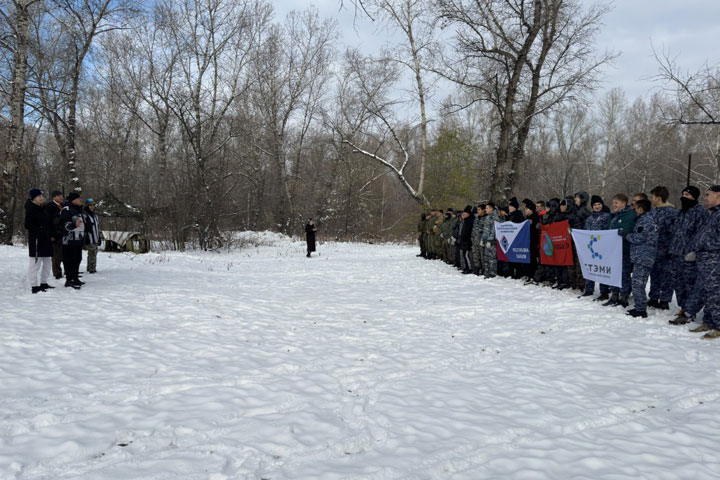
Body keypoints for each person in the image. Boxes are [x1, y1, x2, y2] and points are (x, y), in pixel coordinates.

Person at [668, 186, 709, 325]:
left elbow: (702, 234)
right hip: (676, 253)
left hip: (689, 256)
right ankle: (683, 307)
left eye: (688, 195)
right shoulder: (679, 212)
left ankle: (690, 311)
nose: (684, 197)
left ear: (694, 197)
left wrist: (695, 251)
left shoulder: (700, 212)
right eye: (683, 194)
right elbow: (674, 231)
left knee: (689, 283)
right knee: (678, 283)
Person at [685, 185, 720, 338]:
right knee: (707, 293)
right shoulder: (713, 214)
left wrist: (704, 247)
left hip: (715, 262)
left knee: (715, 294)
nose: (705, 198)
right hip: (705, 262)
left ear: (718, 195)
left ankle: (718, 326)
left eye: (708, 195)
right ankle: (709, 322)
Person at [623, 198, 658, 318]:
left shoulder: (646, 221)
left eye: (636, 208)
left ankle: (641, 310)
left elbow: (639, 238)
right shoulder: (644, 219)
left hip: (644, 256)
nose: (634, 210)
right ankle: (640, 307)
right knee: (638, 283)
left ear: (641, 209)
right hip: (641, 256)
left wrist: (626, 235)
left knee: (638, 284)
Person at [647, 186, 677, 310]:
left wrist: (670, 249)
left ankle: (665, 300)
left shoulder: (671, 212)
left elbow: (674, 232)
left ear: (659, 198)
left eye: (652, 197)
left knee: (667, 276)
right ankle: (653, 297)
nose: (651, 200)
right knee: (655, 275)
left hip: (666, 250)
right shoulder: (653, 212)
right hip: (654, 249)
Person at [604, 193, 636, 307]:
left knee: (624, 274)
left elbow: (627, 230)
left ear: (624, 203)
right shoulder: (615, 216)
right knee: (614, 273)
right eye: (613, 203)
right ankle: (614, 294)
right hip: (614, 251)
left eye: (616, 203)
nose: (614, 205)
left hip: (624, 250)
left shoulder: (630, 215)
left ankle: (624, 296)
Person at [580, 195, 612, 300]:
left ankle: (604, 292)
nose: (597, 206)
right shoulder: (589, 218)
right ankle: (589, 289)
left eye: (599, 204)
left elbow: (609, 231)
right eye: (595, 205)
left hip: (602, 248)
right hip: (591, 247)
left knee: (602, 270)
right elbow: (585, 232)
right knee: (590, 268)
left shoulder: (607, 216)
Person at [25, 189, 54, 293]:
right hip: (36, 240)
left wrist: (50, 234)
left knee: (47, 262)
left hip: (46, 239)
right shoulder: (31, 208)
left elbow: (48, 223)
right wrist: (39, 229)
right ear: (33, 198)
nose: (41, 198)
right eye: (38, 196)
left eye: (42, 196)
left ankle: (44, 283)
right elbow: (27, 224)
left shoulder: (43, 208)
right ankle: (34, 285)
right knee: (35, 263)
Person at [60, 192, 85, 288]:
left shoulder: (79, 210)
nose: (80, 200)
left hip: (78, 238)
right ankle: (69, 279)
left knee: (77, 259)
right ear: (73, 200)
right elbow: (64, 224)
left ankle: (75, 278)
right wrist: (74, 225)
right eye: (79, 198)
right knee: (69, 259)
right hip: (69, 239)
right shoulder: (66, 209)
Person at [44, 190, 64, 279]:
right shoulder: (49, 207)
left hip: (63, 233)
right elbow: (47, 222)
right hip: (54, 234)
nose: (61, 197)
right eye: (59, 196)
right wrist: (51, 235)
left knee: (64, 253)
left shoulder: (63, 206)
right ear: (54, 197)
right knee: (56, 255)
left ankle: (67, 271)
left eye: (62, 196)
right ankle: (57, 273)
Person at [83, 199, 102, 273]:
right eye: (90, 205)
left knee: (94, 253)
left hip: (96, 237)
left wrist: (99, 237)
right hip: (89, 238)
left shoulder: (95, 216)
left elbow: (98, 227)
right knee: (92, 252)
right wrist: (85, 237)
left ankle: (90, 267)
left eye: (93, 205)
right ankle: (92, 269)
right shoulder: (84, 215)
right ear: (87, 206)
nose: (92, 207)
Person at [481, 202, 499, 278]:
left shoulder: (495, 217)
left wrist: (490, 240)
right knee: (486, 257)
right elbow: (485, 230)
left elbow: (494, 230)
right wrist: (482, 239)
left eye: (487, 208)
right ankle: (487, 272)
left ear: (491, 208)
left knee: (492, 258)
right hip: (486, 241)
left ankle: (492, 273)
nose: (485, 209)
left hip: (492, 242)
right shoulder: (488, 217)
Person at [457, 206, 475, 274]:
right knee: (464, 255)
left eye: (465, 213)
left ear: (468, 213)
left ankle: (469, 268)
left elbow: (469, 232)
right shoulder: (465, 221)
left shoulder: (471, 221)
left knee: (467, 255)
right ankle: (466, 267)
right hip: (464, 241)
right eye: (463, 213)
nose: (463, 214)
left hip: (468, 241)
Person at [471, 204, 486, 275]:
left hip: (482, 241)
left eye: (479, 209)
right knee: (475, 255)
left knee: (483, 256)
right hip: (475, 240)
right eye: (477, 209)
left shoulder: (486, 218)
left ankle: (484, 269)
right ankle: (477, 269)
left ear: (483, 210)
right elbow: (473, 229)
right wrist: (472, 238)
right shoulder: (476, 218)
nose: (477, 211)